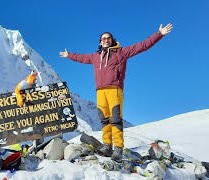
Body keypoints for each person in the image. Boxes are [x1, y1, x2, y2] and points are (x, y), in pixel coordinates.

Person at [59, 23, 173, 162]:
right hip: (100, 91)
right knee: (104, 119)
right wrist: (69, 55)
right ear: (100, 42)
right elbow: (82, 58)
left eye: (108, 38)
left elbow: (142, 46)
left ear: (112, 40)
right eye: (103, 39)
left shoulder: (121, 52)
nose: (105, 40)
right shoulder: (96, 57)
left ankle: (118, 147)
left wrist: (159, 34)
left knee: (115, 119)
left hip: (115, 89)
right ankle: (107, 146)